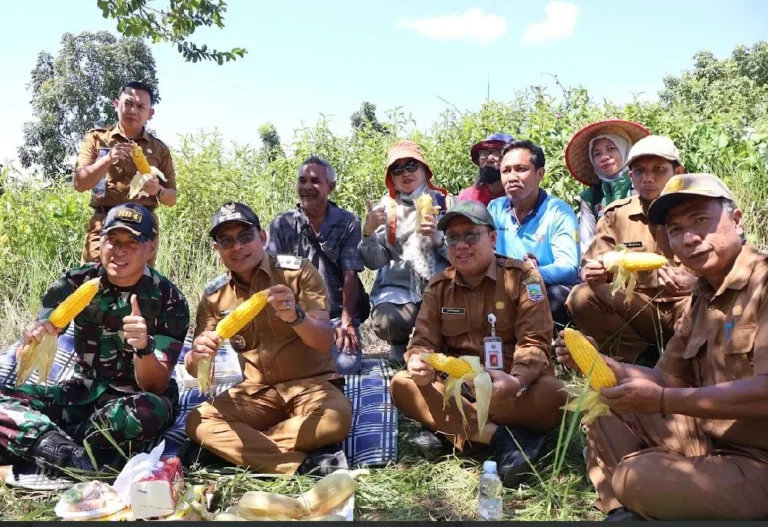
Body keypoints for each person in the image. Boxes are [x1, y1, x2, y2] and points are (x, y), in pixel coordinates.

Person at [556, 173, 768, 520]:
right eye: (675, 229)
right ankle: (623, 512)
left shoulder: (763, 284)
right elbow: (666, 376)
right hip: (711, 439)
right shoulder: (702, 297)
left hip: (760, 458)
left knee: (633, 475)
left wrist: (664, 401)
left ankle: (638, 498)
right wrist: (598, 362)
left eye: (701, 220)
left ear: (737, 220)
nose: (688, 238)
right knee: (604, 407)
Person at [0, 203, 189, 473]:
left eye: (132, 242)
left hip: (133, 400)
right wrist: (35, 335)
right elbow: (41, 335)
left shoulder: (170, 300)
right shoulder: (75, 282)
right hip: (81, 394)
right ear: (100, 242)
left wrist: (143, 348)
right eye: (112, 240)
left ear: (151, 247)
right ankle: (66, 451)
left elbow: (156, 385)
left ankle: (38, 440)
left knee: (147, 412)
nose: (119, 251)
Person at [390, 200, 567, 487]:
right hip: (459, 390)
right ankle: (502, 438)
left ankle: (452, 433)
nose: (461, 245)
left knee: (557, 395)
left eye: (471, 235)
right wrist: (417, 360)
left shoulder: (523, 278)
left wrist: (517, 381)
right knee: (402, 384)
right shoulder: (438, 287)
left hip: (510, 393)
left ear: (493, 238)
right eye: (453, 238)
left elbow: (535, 342)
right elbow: (421, 340)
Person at [184, 202, 352, 475]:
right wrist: (197, 355)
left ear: (262, 237)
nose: (237, 247)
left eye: (245, 236)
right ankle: (302, 463)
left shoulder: (297, 273)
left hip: (312, 387)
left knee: (335, 420)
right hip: (256, 393)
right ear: (217, 250)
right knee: (198, 422)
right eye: (226, 241)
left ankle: (240, 449)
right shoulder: (214, 296)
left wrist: (296, 317)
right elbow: (197, 368)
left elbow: (324, 340)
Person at [565, 135, 695, 365]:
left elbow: (728, 271)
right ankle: (638, 359)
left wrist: (694, 284)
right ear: (631, 177)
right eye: (640, 171)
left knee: (716, 306)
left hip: (687, 304)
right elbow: (590, 265)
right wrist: (595, 272)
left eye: (659, 169)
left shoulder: (699, 210)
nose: (648, 178)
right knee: (581, 296)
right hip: (638, 307)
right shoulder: (617, 214)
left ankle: (692, 362)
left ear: (677, 172)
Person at [268, 156, 367, 375]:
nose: (306, 187)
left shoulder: (348, 223)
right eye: (302, 181)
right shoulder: (282, 225)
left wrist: (346, 323)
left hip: (334, 315)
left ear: (330, 187)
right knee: (279, 368)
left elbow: (350, 275)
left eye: (314, 181)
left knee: (345, 367)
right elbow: (271, 274)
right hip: (295, 315)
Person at [360, 140, 452, 362]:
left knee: (456, 317)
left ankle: (444, 345)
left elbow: (464, 254)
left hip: (443, 287)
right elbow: (375, 262)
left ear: (424, 169)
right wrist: (368, 232)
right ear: (391, 177)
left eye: (412, 165)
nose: (405, 173)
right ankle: (399, 344)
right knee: (388, 321)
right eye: (397, 169)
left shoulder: (446, 203)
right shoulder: (385, 208)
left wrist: (439, 239)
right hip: (400, 287)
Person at [73, 81, 177, 266]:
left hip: (142, 225)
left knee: (139, 287)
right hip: (103, 223)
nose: (133, 110)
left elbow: (172, 198)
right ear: (116, 104)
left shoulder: (159, 149)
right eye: (128, 103)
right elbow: (80, 184)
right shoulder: (97, 139)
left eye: (140, 106)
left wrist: (158, 190)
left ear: (150, 113)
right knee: (92, 283)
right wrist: (107, 160)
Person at [487, 139, 579, 329]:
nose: (512, 177)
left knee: (551, 296)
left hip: (540, 284)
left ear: (540, 174)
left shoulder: (558, 212)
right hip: (504, 284)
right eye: (506, 171)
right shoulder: (495, 209)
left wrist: (529, 274)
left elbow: (569, 267)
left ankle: (547, 345)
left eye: (521, 169)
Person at [564, 120, 650, 254]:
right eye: (597, 154)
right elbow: (587, 243)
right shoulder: (590, 198)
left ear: (625, 149)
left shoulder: (645, 185)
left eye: (611, 149)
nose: (604, 157)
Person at [458, 133, 514, 206]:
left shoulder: (520, 197)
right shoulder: (468, 197)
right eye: (483, 153)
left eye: (497, 153)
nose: (489, 158)